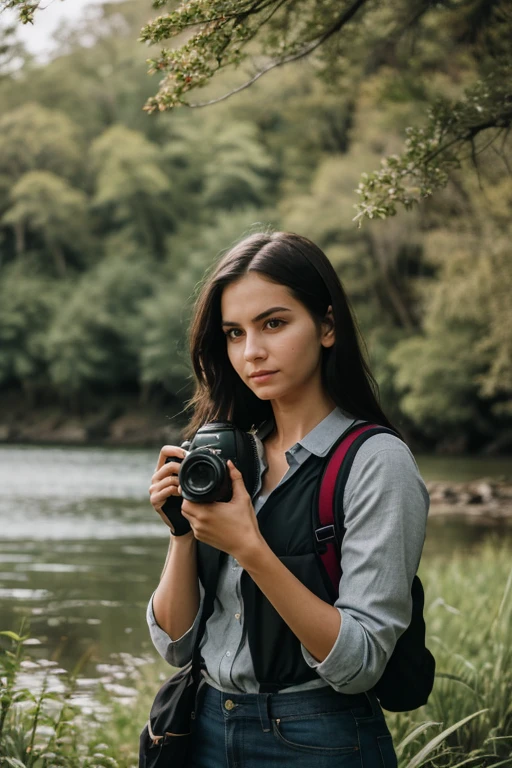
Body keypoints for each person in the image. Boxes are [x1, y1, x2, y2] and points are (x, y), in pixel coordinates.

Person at [147, 230, 430, 768]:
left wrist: (250, 548)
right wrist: (183, 532)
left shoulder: (375, 462)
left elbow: (361, 663)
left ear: (327, 326)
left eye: (273, 324)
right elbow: (175, 646)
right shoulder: (230, 454)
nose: (251, 352)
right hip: (201, 725)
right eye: (234, 333)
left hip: (317, 739)